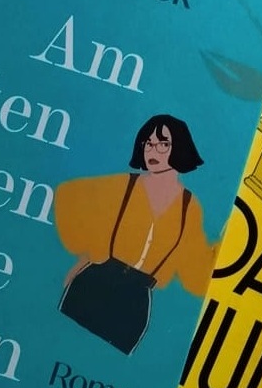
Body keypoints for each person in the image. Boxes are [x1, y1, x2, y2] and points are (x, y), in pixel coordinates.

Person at [54, 115, 217, 354]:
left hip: (135, 301)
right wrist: (91, 253)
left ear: (180, 147)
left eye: (163, 144)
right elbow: (67, 194)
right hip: (94, 284)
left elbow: (195, 271)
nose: (153, 150)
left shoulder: (189, 206)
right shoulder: (124, 184)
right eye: (148, 143)